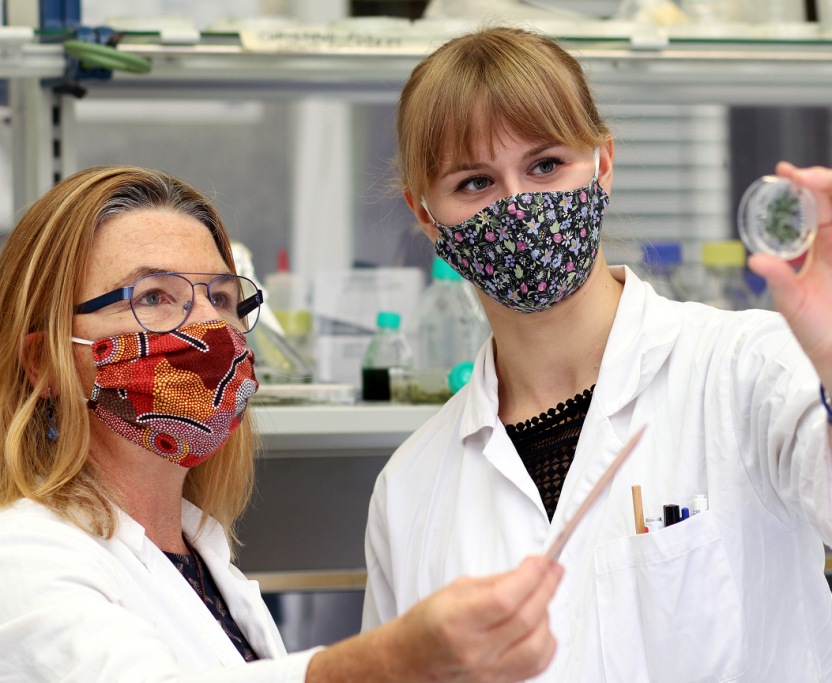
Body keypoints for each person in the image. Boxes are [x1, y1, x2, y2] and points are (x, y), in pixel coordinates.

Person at [362, 26, 832, 681]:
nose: (519, 204)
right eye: (475, 182)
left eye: (546, 165)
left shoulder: (740, 368)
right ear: (426, 215)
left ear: (603, 165)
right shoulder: (410, 488)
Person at [0, 165, 563, 682]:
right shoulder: (23, 557)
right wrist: (387, 662)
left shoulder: (201, 554)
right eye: (153, 296)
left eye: (222, 296)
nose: (210, 325)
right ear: (44, 363)